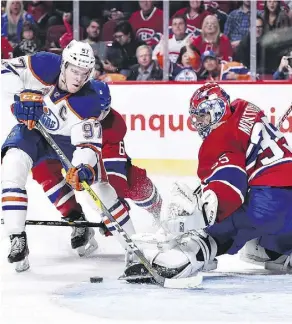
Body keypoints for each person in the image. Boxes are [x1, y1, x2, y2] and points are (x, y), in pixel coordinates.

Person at [122, 82, 292, 281]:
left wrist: (202, 216)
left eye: (204, 116)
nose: (200, 122)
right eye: (197, 117)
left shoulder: (219, 139)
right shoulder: (246, 108)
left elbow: (230, 185)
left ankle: (177, 261)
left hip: (268, 202)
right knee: (261, 234)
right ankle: (279, 252)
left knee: (216, 232)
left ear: (218, 110)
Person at [1, 40, 135, 272]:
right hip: (33, 130)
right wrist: (21, 94)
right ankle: (17, 238)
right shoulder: (43, 64)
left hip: (65, 140)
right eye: (74, 70)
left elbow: (87, 144)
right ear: (63, 64)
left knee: (100, 187)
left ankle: (134, 247)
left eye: (85, 73)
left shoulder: (89, 100)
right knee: (13, 164)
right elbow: (5, 69)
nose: (78, 78)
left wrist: (83, 167)